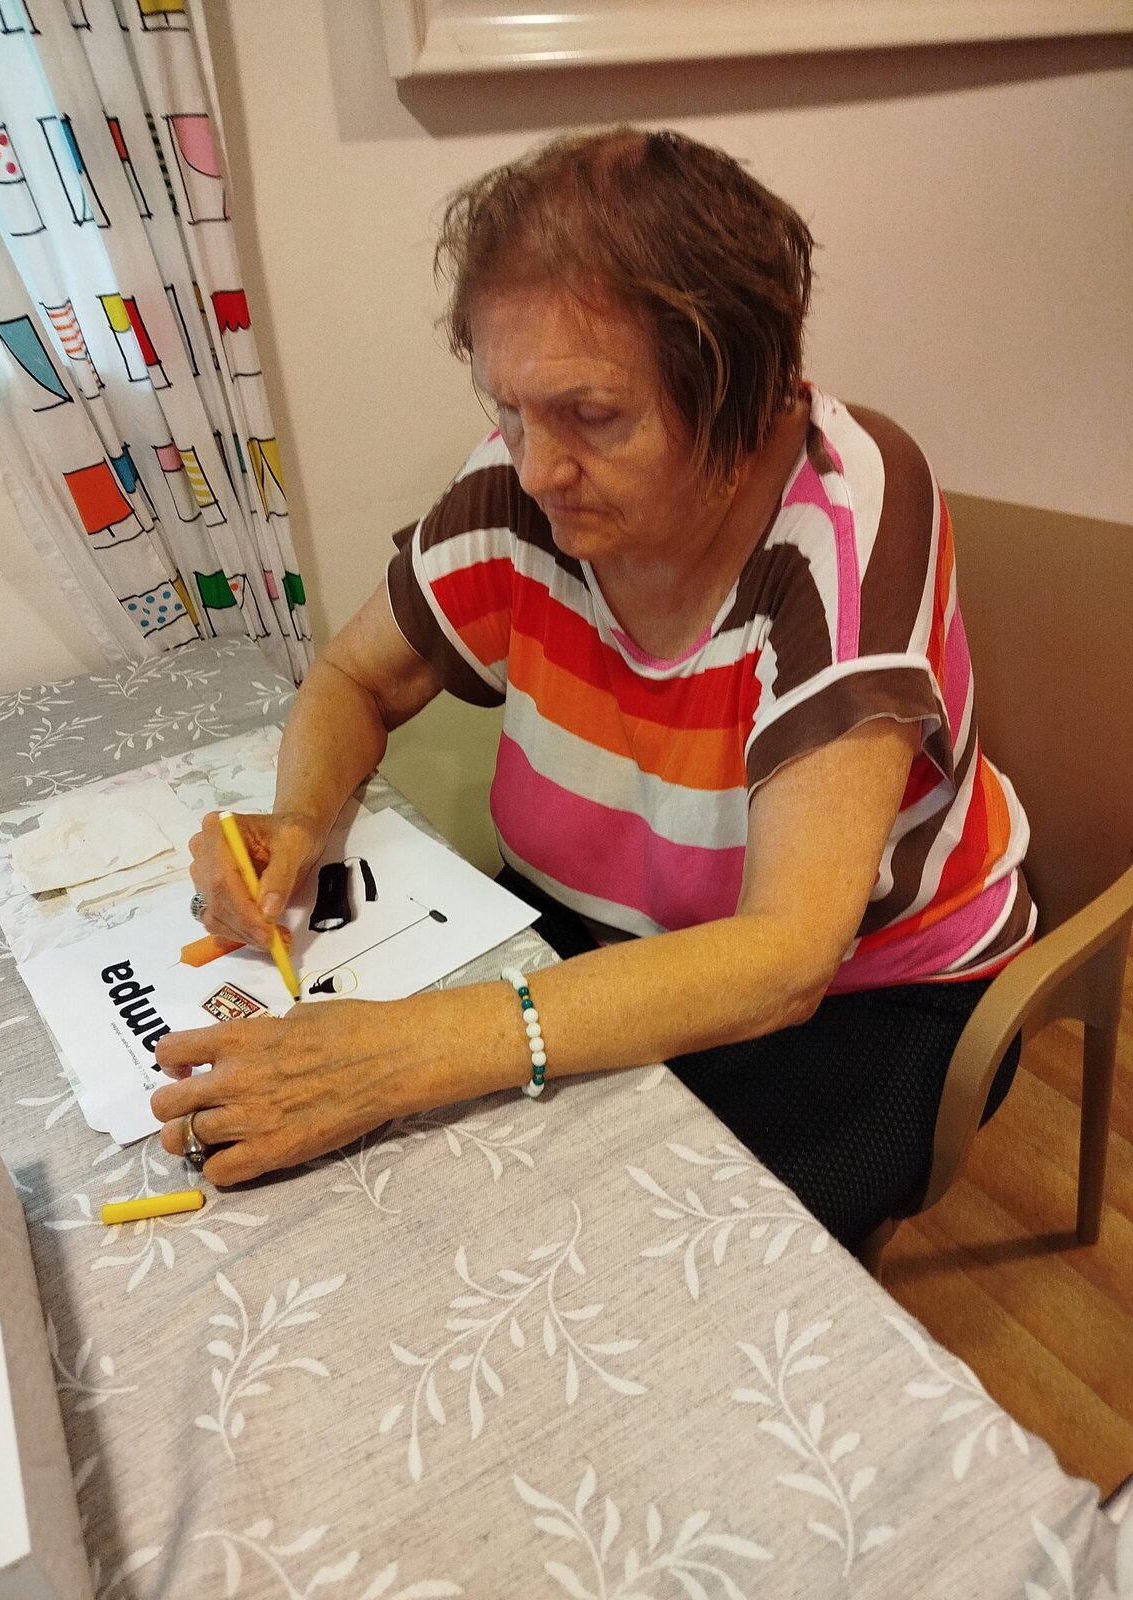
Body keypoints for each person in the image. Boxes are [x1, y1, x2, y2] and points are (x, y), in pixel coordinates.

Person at [152, 128, 1033, 1249]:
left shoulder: (846, 519)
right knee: (410, 1212)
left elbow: (785, 957)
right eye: (507, 408)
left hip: (863, 997)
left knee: (632, 1252)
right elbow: (355, 677)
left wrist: (409, 1052)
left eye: (594, 417)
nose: (532, 469)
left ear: (744, 390)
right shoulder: (525, 483)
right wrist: (295, 823)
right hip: (602, 929)